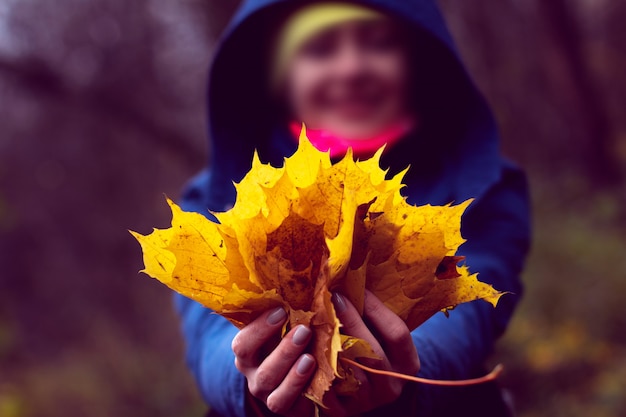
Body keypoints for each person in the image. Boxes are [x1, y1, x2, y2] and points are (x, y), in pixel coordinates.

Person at [175, 1, 531, 416]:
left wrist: (408, 370)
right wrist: (252, 385)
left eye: (380, 44)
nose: (352, 69)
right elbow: (209, 337)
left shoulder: (481, 184)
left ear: (417, 62)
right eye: (319, 48)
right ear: (281, 75)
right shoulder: (217, 197)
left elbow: (471, 314)